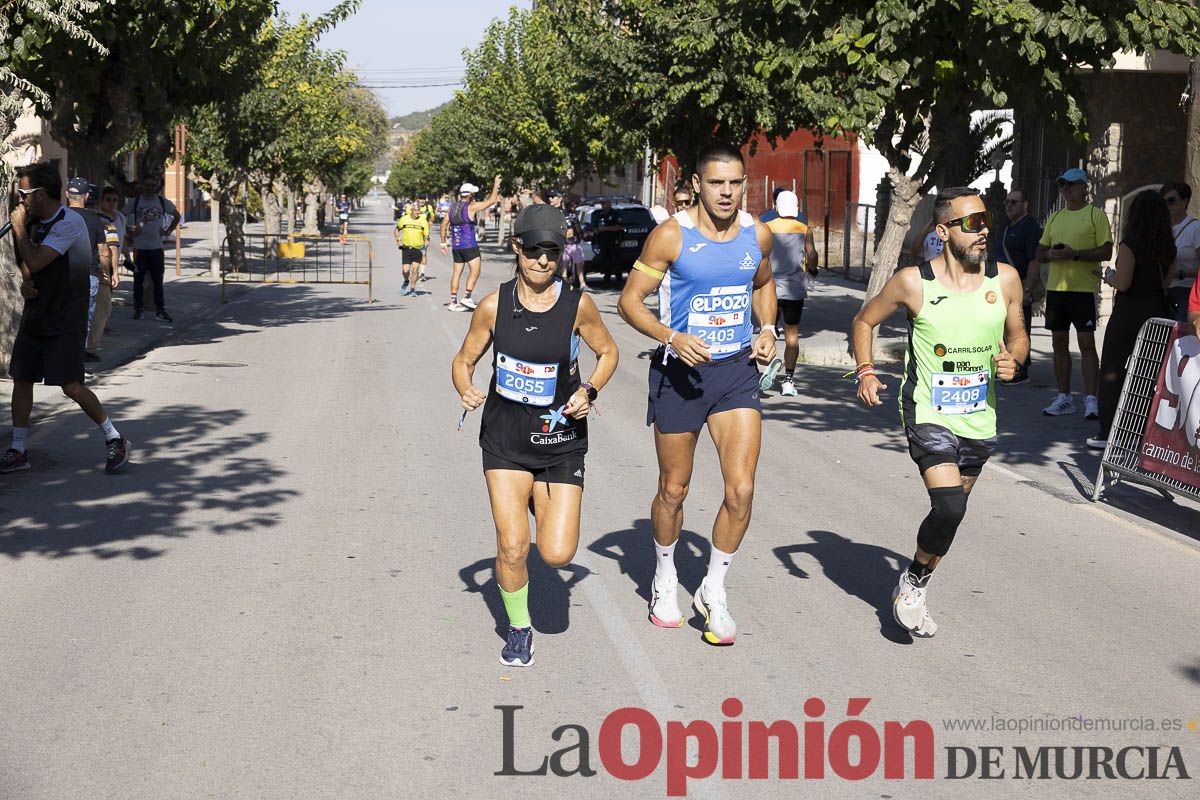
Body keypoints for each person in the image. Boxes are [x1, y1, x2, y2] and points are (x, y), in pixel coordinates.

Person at [617, 141, 777, 646]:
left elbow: (763, 283)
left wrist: (768, 326)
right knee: (674, 489)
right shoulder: (671, 236)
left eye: (735, 183)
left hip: (734, 372)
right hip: (680, 374)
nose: (726, 193)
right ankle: (665, 576)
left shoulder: (758, 234)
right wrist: (672, 336)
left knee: (742, 489)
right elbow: (629, 302)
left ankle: (713, 586)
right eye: (716, 183)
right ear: (697, 186)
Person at [851, 187, 1028, 637]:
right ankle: (912, 581)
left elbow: (1019, 333)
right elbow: (864, 321)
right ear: (944, 231)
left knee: (955, 512)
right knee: (948, 507)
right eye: (972, 223)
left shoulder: (1004, 279)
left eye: (986, 220)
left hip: (979, 416)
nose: (983, 230)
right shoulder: (914, 282)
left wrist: (1017, 361)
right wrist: (866, 372)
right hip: (928, 409)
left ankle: (918, 581)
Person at [451, 204, 619, 666]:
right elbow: (464, 361)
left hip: (561, 441)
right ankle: (519, 629)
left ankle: (536, 498)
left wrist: (590, 388)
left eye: (552, 251)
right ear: (516, 248)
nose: (543, 261)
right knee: (511, 544)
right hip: (505, 441)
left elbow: (608, 353)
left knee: (558, 553)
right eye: (533, 251)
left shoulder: (577, 304)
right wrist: (466, 387)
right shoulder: (493, 305)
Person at [2, 162, 131, 475]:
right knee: (22, 377)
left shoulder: (69, 223)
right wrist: (26, 283)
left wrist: (18, 229)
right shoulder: (33, 221)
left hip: (65, 316)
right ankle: (18, 449)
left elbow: (35, 256)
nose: (19, 199)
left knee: (69, 385)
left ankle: (114, 437)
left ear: (41, 194)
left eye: (23, 193)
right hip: (38, 313)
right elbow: (29, 266)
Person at [1088, 191, 1176, 449]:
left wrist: (1109, 277)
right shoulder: (1168, 245)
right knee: (1147, 372)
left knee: (1114, 369)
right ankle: (1140, 429)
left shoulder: (1131, 243)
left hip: (1130, 311)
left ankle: (1109, 431)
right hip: (1156, 309)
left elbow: (1124, 282)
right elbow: (1167, 282)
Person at [1036, 167, 1113, 418]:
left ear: (1083, 187)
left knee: (1086, 344)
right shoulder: (1055, 217)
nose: (1065, 190)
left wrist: (1075, 254)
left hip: (1083, 290)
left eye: (1070, 185)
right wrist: (1052, 254)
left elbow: (1106, 251)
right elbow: (1039, 253)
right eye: (1062, 186)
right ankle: (1064, 397)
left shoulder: (1095, 215)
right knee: (1059, 343)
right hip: (1057, 290)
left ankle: (1091, 400)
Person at [764, 190, 819, 396]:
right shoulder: (804, 228)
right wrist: (813, 271)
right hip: (795, 289)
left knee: (767, 330)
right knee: (792, 336)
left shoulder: (767, 227)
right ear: (796, 208)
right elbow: (811, 254)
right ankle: (788, 380)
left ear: (776, 207)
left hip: (770, 288)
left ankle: (768, 366)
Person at [993, 187, 1042, 382]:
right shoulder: (1008, 226)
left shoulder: (1030, 227)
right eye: (1007, 202)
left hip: (1019, 288)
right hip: (1001, 288)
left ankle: (1019, 370)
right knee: (1004, 328)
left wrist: (1027, 289)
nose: (1009, 205)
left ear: (1025, 205)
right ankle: (1005, 365)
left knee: (1020, 330)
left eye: (1014, 202)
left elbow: (1034, 260)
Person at [65, 178, 116, 362]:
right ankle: (77, 358)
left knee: (61, 315)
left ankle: (61, 356)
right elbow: (104, 252)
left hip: (61, 276)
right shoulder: (95, 220)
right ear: (86, 196)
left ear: (66, 195)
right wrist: (106, 273)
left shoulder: (58, 216)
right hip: (89, 275)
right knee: (83, 319)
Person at [123, 174, 180, 323]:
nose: (149, 188)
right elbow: (120, 216)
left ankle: (160, 310)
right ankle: (138, 310)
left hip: (156, 248)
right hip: (139, 249)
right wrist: (128, 231)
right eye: (147, 185)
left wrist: (167, 231)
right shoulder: (135, 203)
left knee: (158, 280)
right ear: (142, 187)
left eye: (152, 185)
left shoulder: (162, 202)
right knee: (138, 281)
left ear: (156, 187)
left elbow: (177, 216)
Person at [440, 176, 502, 311]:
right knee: (476, 271)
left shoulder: (452, 208)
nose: (473, 196)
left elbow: (444, 225)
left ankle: (453, 301)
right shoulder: (471, 207)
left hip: (456, 247)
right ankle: (467, 297)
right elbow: (492, 200)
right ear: (469, 195)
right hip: (469, 245)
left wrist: (443, 243)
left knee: (457, 272)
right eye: (472, 194)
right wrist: (496, 185)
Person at [89, 186, 125, 355]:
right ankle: (91, 348)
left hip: (84, 270)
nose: (111, 203)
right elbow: (111, 249)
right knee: (102, 309)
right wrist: (113, 272)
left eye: (114, 200)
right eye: (107, 200)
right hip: (100, 271)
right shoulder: (105, 223)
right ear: (99, 201)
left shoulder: (117, 218)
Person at [1161, 182, 1200, 322]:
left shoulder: (1195, 228)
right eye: (1163, 202)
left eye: (1171, 201)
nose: (1167, 205)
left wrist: (1181, 274)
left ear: (1185, 201)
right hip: (1164, 293)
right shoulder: (1162, 230)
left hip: (1186, 293)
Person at [395, 203, 430, 296]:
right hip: (406, 248)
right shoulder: (404, 219)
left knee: (415, 270)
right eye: (415, 210)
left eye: (419, 210)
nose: (417, 212)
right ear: (411, 210)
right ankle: (406, 281)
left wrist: (426, 243)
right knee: (405, 270)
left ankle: (412, 289)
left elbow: (426, 236)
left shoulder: (423, 221)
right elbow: (396, 230)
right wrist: (398, 240)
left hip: (418, 248)